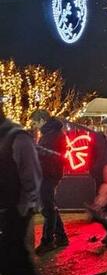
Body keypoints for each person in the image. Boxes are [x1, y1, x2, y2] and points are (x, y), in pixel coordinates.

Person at [0, 106, 49, 275]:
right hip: (7, 208)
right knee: (12, 259)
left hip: (14, 210)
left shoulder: (17, 137)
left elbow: (31, 176)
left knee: (14, 258)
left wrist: (25, 208)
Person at [30, 109, 69, 255]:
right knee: (50, 205)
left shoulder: (52, 135)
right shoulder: (51, 132)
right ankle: (61, 236)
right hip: (49, 173)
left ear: (42, 120)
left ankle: (48, 241)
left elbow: (48, 155)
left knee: (48, 208)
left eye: (35, 122)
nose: (34, 126)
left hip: (49, 174)